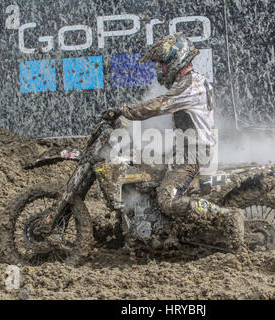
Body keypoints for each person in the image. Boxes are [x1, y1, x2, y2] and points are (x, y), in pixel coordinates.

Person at [102, 33, 244, 250]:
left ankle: (227, 216)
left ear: (175, 60)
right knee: (142, 170)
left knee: (167, 200)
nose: (161, 69)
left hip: (193, 153)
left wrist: (125, 111)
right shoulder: (192, 82)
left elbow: (159, 104)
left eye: (162, 64)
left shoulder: (190, 85)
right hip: (184, 148)